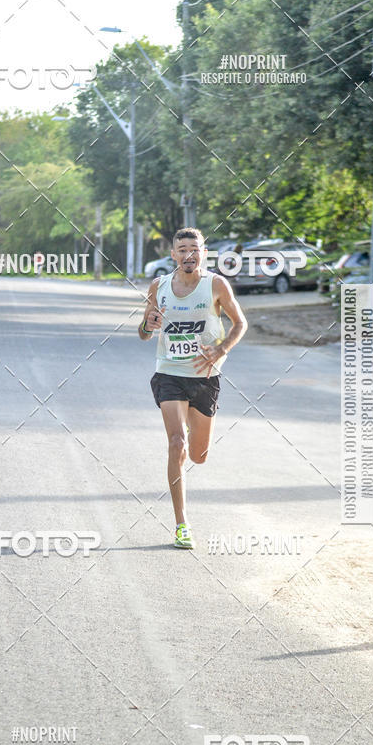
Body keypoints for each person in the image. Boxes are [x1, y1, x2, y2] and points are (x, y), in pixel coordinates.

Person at [139, 227, 247, 549]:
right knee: (176, 444)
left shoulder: (215, 284)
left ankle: (190, 426)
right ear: (173, 254)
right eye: (182, 249)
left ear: (203, 252)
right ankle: (181, 524)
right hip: (169, 372)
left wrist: (223, 348)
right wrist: (148, 324)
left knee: (198, 456)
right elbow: (144, 333)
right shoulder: (158, 287)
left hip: (204, 377)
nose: (189, 254)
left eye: (194, 249)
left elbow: (240, 323)